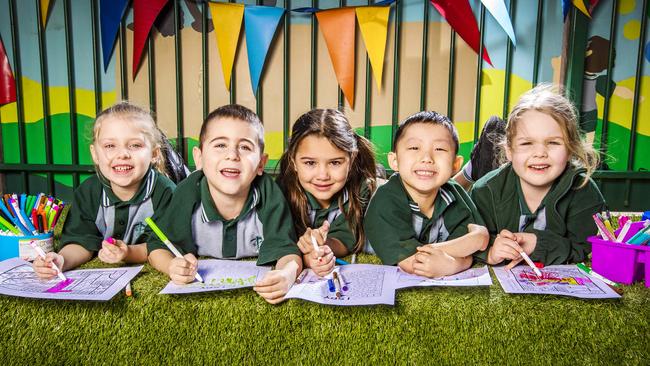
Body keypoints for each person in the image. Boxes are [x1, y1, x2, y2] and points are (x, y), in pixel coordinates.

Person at [147, 104, 302, 304]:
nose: (232, 155)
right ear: (199, 158)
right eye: (220, 145)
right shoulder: (187, 192)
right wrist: (171, 266)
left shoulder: (269, 193)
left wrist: (287, 275)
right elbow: (156, 247)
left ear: (261, 164)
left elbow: (288, 252)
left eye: (245, 147)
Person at [33, 101, 175, 279]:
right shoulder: (88, 192)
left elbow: (162, 245)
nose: (122, 154)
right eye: (110, 146)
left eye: (135, 145)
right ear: (95, 154)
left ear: (154, 154)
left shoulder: (166, 192)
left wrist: (128, 253)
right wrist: (61, 260)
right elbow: (81, 241)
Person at [470, 84, 606, 267]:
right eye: (527, 143)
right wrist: (491, 250)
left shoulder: (584, 192)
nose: (540, 153)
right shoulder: (484, 191)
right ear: (509, 150)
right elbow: (468, 238)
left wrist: (538, 243)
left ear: (571, 148)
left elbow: (588, 249)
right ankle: (474, 165)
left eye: (553, 142)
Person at [364, 111, 488, 278]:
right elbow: (413, 262)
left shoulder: (453, 193)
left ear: (455, 164)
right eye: (414, 148)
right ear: (394, 161)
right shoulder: (385, 200)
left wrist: (474, 243)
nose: (427, 158)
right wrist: (460, 257)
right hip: (372, 197)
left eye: (439, 149)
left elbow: (471, 252)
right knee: (370, 182)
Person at [276, 109, 377, 277]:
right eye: (310, 163)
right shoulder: (282, 190)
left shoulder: (362, 189)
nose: (322, 175)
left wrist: (325, 245)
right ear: (293, 160)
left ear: (351, 159)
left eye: (335, 162)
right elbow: (280, 240)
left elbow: (346, 238)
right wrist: (308, 256)